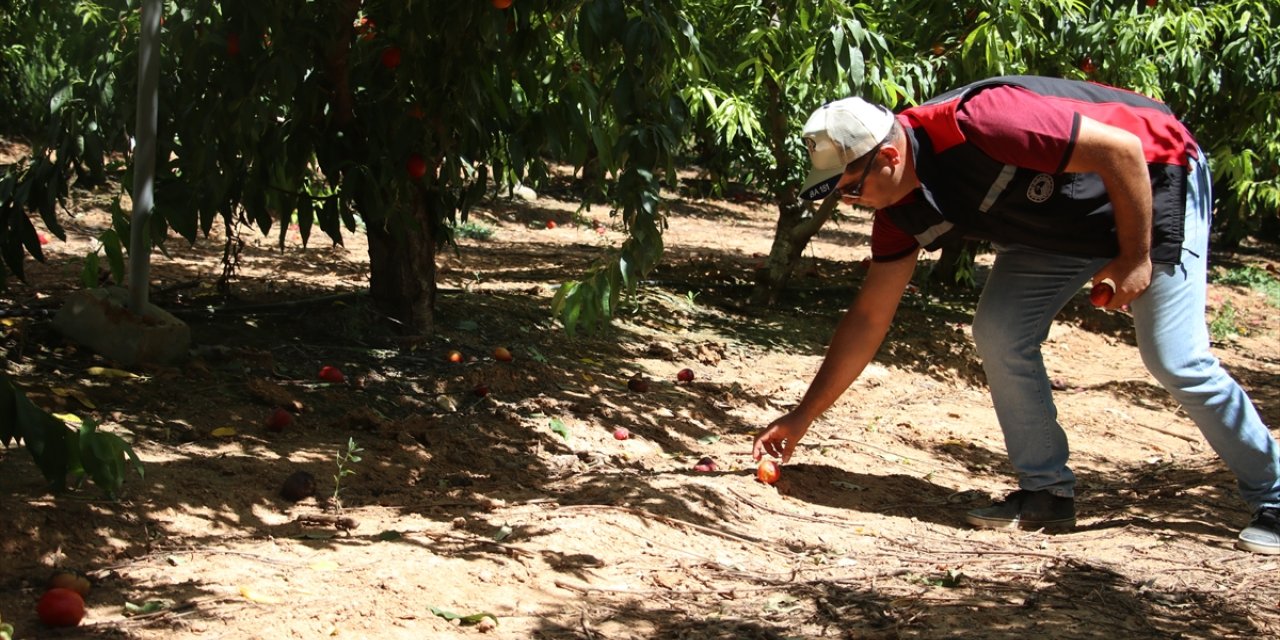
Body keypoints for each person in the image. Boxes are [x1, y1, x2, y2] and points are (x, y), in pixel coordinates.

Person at [750, 75, 1280, 554]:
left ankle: (1274, 494)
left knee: (1174, 357)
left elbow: (1121, 150)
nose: (847, 201)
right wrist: (802, 417)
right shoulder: (899, 211)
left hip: (1156, 173)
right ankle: (1046, 494)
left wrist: (1135, 257)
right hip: (1060, 225)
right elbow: (868, 319)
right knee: (1000, 331)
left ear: (888, 157)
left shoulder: (980, 121)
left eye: (849, 187)